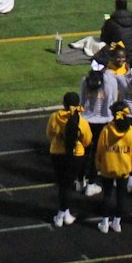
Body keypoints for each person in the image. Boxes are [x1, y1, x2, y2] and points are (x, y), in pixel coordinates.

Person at [46, 91, 93, 228]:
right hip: (75, 155)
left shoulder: (54, 117)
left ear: (63, 104)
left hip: (57, 154)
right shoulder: (82, 122)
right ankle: (62, 213)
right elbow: (87, 140)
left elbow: (49, 134)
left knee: (63, 185)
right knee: (67, 186)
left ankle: (63, 213)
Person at [91, 101, 132, 232]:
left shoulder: (106, 130)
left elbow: (99, 150)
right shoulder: (131, 132)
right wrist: (130, 166)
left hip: (107, 167)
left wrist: (99, 165)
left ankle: (105, 223)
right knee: (121, 196)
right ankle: (117, 222)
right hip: (124, 169)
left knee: (107, 195)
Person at [99, 0, 132, 67]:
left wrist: (105, 25)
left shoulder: (111, 21)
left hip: (120, 50)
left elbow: (104, 38)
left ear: (115, 6)